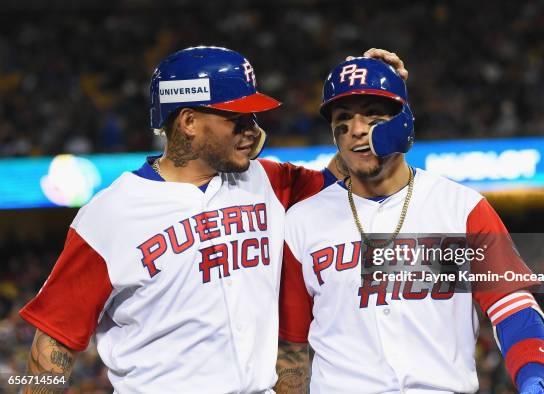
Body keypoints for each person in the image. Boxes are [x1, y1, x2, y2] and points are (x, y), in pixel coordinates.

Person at [19, 47, 407, 393]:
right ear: (188, 121)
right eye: (237, 118)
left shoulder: (267, 181)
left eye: (253, 116)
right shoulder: (108, 216)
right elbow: (51, 345)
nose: (253, 130)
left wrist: (377, 97)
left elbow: (347, 173)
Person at [277, 58, 544, 394]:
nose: (357, 129)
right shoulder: (301, 222)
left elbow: (513, 309)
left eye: (372, 115)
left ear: (403, 120)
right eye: (343, 119)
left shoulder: (462, 208)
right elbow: (289, 348)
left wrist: (533, 379)